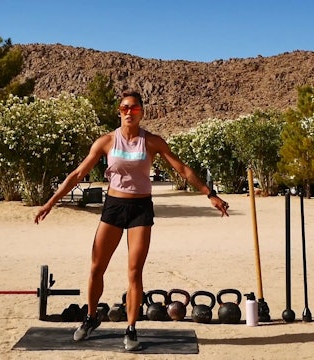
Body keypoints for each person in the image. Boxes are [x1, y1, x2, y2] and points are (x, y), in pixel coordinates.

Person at [34, 90, 229, 351]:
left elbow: (182, 168)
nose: (129, 112)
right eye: (125, 108)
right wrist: (50, 202)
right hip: (114, 207)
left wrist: (210, 194)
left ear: (142, 112)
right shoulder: (105, 141)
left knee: (134, 271)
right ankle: (91, 318)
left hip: (140, 209)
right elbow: (78, 173)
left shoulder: (152, 142)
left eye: (135, 108)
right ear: (119, 110)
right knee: (96, 267)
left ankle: (131, 328)